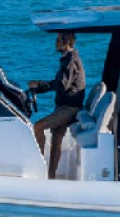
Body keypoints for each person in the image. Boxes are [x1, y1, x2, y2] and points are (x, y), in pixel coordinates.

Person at [28, 31, 85, 179]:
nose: (55, 43)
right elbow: (59, 84)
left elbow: (62, 85)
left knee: (38, 127)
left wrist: (39, 84)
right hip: (65, 106)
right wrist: (39, 88)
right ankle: (50, 175)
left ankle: (40, 168)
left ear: (66, 43)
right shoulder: (67, 59)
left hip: (69, 108)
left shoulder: (71, 61)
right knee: (56, 138)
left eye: (58, 40)